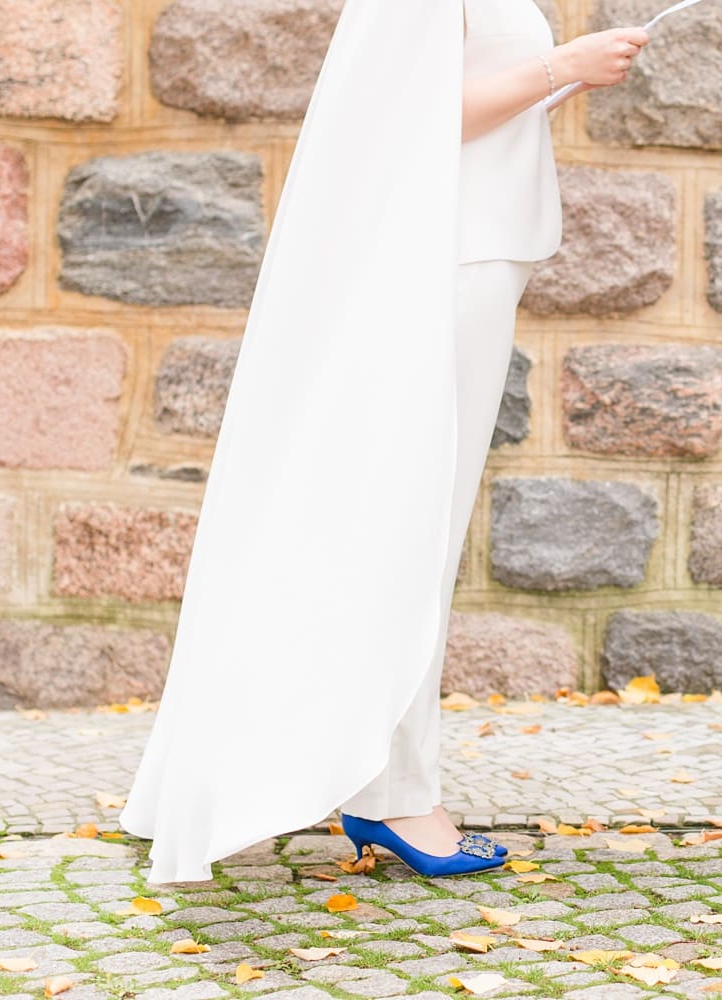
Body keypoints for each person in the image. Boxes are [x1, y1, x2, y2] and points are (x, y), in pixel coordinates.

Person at [121, 0, 647, 883]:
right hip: (445, 263)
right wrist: (567, 67)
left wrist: (559, 79)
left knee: (412, 538)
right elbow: (402, 117)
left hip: (472, 254)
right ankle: (397, 793)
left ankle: (380, 780)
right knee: (411, 539)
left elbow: (462, 101)